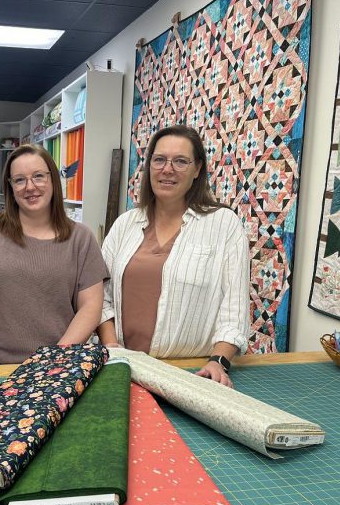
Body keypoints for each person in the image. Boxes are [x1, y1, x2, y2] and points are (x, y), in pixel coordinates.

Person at [97, 125, 250, 388]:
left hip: (190, 371)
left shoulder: (224, 225)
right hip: (124, 366)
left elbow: (234, 308)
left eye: (180, 161)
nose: (167, 169)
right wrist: (112, 347)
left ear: (197, 169)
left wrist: (219, 361)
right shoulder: (125, 224)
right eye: (159, 160)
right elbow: (101, 293)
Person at [0, 145, 107, 379]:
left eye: (38, 176)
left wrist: (54, 358)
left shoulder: (81, 238)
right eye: (19, 180)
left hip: (56, 367)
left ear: (53, 180)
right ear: (10, 186)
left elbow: (90, 307)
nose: (30, 187)